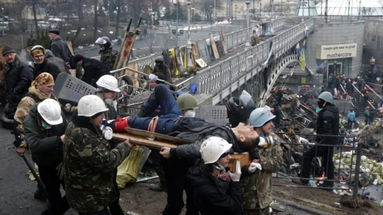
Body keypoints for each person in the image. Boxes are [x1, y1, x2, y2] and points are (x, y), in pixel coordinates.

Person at [63, 95, 132, 215]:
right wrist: (125, 146)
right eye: (101, 115)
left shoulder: (77, 124)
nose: (104, 117)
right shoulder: (83, 135)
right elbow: (107, 162)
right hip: (89, 197)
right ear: (90, 116)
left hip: (87, 190)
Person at [13, 72, 55, 201]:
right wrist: (22, 144)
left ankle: (44, 191)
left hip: (50, 137)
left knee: (49, 169)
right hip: (37, 139)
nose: (52, 89)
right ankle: (44, 193)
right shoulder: (28, 101)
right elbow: (19, 123)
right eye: (49, 86)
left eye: (52, 86)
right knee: (43, 169)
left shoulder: (49, 95)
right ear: (39, 86)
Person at [24, 98, 69, 215]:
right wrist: (59, 139)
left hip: (61, 161)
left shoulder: (56, 112)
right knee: (53, 194)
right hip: (45, 163)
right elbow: (34, 144)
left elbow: (67, 128)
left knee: (73, 191)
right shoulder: (30, 121)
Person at [241, 106, 283, 215]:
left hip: (264, 198)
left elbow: (277, 164)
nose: (272, 125)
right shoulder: (243, 139)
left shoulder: (273, 140)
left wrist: (259, 160)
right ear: (260, 122)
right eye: (268, 121)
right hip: (246, 197)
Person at [186, 136, 242, 215]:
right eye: (224, 155)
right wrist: (235, 182)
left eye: (229, 153)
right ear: (214, 160)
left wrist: (247, 169)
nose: (229, 157)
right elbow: (235, 208)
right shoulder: (208, 190)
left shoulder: (208, 169)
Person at [301, 91, 339, 188]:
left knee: (307, 156)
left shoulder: (326, 114)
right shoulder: (333, 111)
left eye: (320, 101)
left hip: (325, 143)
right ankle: (329, 183)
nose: (319, 102)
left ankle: (304, 179)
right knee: (328, 162)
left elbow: (327, 132)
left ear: (326, 102)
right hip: (330, 143)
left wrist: (320, 143)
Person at [1, 46, 34, 119]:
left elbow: (25, 81)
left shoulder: (22, 65)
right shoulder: (7, 66)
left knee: (13, 115)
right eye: (6, 55)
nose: (9, 57)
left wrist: (14, 91)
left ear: (15, 54)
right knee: (8, 112)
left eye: (11, 54)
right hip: (12, 97)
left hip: (21, 96)